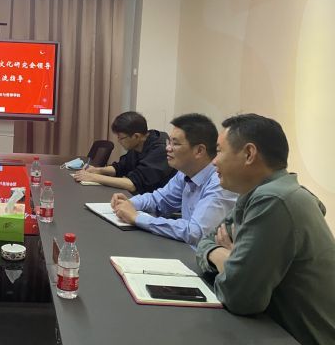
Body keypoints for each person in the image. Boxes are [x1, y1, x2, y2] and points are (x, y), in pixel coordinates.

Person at [196, 114, 335, 345]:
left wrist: (233, 265)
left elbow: (239, 296)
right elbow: (206, 240)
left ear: (249, 154)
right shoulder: (258, 195)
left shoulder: (274, 200)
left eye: (219, 151)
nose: (213, 162)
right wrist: (223, 257)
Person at [110, 113, 237, 247]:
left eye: (175, 143)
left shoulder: (220, 182)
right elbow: (160, 199)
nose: (168, 148)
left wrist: (137, 218)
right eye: (169, 142)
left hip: (200, 254)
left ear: (199, 151)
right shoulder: (184, 173)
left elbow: (196, 233)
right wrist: (129, 203)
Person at [74, 111, 175, 193]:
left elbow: (133, 184)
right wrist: (98, 170)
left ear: (136, 136)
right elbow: (120, 167)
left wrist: (94, 177)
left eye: (121, 138)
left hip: (155, 204)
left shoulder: (160, 150)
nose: (118, 141)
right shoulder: (138, 143)